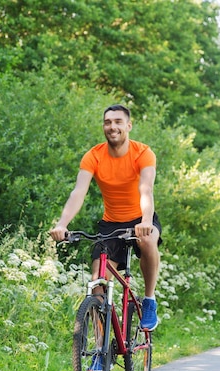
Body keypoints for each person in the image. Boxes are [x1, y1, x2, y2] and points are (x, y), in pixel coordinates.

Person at [49, 104, 162, 332]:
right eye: (108, 122)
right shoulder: (94, 156)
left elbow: (146, 189)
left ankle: (149, 301)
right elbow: (78, 192)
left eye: (118, 122)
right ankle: (99, 352)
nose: (113, 127)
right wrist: (62, 224)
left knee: (147, 240)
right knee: (97, 285)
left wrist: (146, 221)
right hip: (111, 225)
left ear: (128, 126)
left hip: (141, 218)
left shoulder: (143, 153)